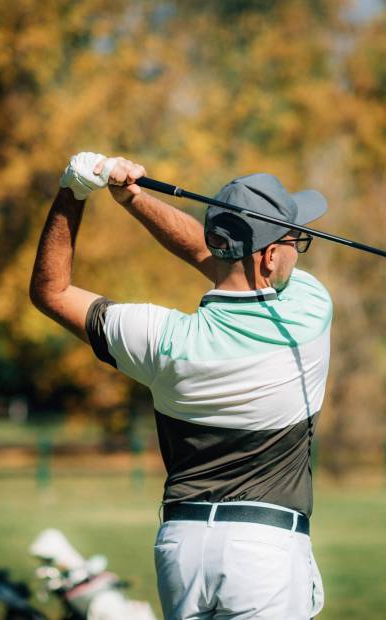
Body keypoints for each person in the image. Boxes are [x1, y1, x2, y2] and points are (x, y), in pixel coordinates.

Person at [30, 152, 333, 619]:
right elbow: (209, 257)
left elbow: (52, 292)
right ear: (271, 256)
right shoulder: (308, 313)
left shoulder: (162, 340)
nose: (300, 245)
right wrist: (133, 199)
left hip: (182, 547)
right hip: (265, 548)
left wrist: (78, 192)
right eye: (297, 238)